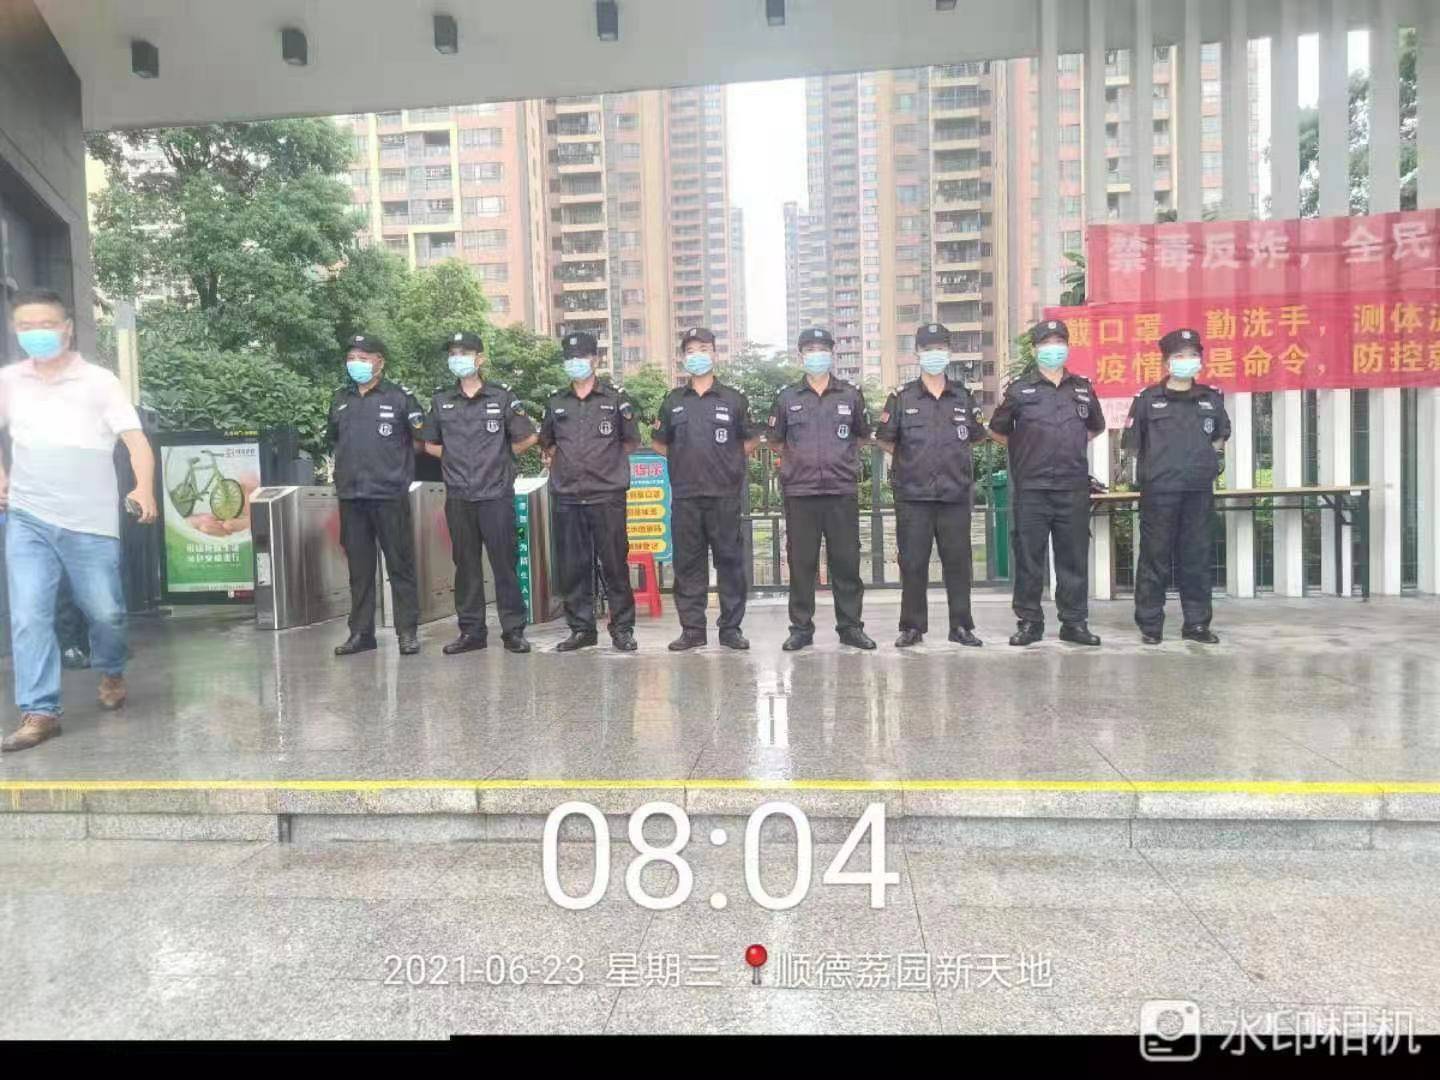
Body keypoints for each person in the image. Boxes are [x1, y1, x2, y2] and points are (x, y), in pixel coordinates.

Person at [0, 287, 157, 752]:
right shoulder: (9, 381)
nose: (36, 333)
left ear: (67, 329)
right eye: (26, 327)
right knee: (28, 614)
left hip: (90, 522)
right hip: (27, 517)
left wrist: (143, 487)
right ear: (15, 330)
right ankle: (40, 711)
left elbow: (136, 441)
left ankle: (111, 669)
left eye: (46, 325)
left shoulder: (99, 382)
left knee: (106, 613)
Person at [988, 319, 1106, 647]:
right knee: (1029, 558)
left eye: (1059, 342)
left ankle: (1074, 623)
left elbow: (1094, 426)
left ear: (1067, 347)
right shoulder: (1019, 390)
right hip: (1032, 489)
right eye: (1046, 343)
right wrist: (1026, 448)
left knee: (1073, 557)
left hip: (1072, 486)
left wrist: (1068, 444)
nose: (1053, 349)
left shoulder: (1082, 388)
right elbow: (998, 431)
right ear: (1035, 349)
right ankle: (1029, 622)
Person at [421, 331, 537, 655]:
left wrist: (500, 459)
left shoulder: (502, 396)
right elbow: (430, 444)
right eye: (452, 353)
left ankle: (513, 631)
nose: (457, 358)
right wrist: (455, 459)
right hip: (459, 495)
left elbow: (528, 437)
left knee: (505, 565)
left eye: (464, 352)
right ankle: (471, 632)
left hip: (496, 494)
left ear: (480, 358)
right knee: (466, 566)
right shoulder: (441, 400)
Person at [876, 322, 987, 648]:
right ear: (917, 353)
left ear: (949, 352)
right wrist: (913, 461)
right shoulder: (901, 397)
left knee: (958, 563)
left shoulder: (963, 396)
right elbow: (885, 439)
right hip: (913, 495)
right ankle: (912, 627)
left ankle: (961, 626)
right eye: (928, 349)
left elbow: (975, 437)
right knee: (913, 564)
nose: (934, 354)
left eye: (940, 348)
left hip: (955, 494)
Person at [766, 327, 876, 652]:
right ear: (801, 355)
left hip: (841, 491)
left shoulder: (850, 395)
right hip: (800, 492)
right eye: (810, 349)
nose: (817, 355)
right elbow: (776, 441)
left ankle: (850, 627)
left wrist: (839, 460)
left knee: (846, 563)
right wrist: (799, 462)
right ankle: (801, 629)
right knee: (801, 564)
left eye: (822, 349)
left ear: (832, 353)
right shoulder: (787, 397)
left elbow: (862, 436)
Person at [651, 327, 760, 652]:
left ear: (714, 353)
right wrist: (685, 460)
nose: (696, 356)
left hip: (724, 494)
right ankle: (692, 630)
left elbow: (750, 440)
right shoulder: (673, 400)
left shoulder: (734, 398)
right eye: (690, 351)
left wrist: (726, 462)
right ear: (682, 358)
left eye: (703, 349)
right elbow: (659, 443)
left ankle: (731, 629)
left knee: (730, 563)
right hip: (686, 496)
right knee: (688, 565)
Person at [1122, 328, 1231, 644]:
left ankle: (1196, 624)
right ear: (1166, 362)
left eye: (1193, 355)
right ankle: (1150, 625)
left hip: (1198, 491)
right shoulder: (1147, 400)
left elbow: (1220, 436)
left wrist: (1207, 460)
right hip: (1159, 491)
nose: (1187, 361)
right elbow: (1132, 444)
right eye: (1180, 356)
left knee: (1196, 557)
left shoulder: (1211, 398)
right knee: (1154, 558)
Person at [538, 331, 641, 652]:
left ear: (595, 360)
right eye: (570, 358)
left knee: (614, 564)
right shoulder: (556, 401)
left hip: (607, 495)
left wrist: (603, 466)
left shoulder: (616, 399)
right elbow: (548, 444)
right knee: (573, 567)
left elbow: (630, 441)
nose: (576, 363)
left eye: (582, 357)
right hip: (568, 496)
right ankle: (581, 629)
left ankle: (622, 629)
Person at [327, 334, 428, 657]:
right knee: (359, 570)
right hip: (352, 496)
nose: (356, 363)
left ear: (380, 362)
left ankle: (407, 632)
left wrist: (395, 468)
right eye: (351, 357)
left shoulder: (400, 398)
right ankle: (361, 633)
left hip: (389, 495)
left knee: (400, 566)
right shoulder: (340, 399)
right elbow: (335, 440)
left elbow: (421, 442)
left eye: (363, 357)